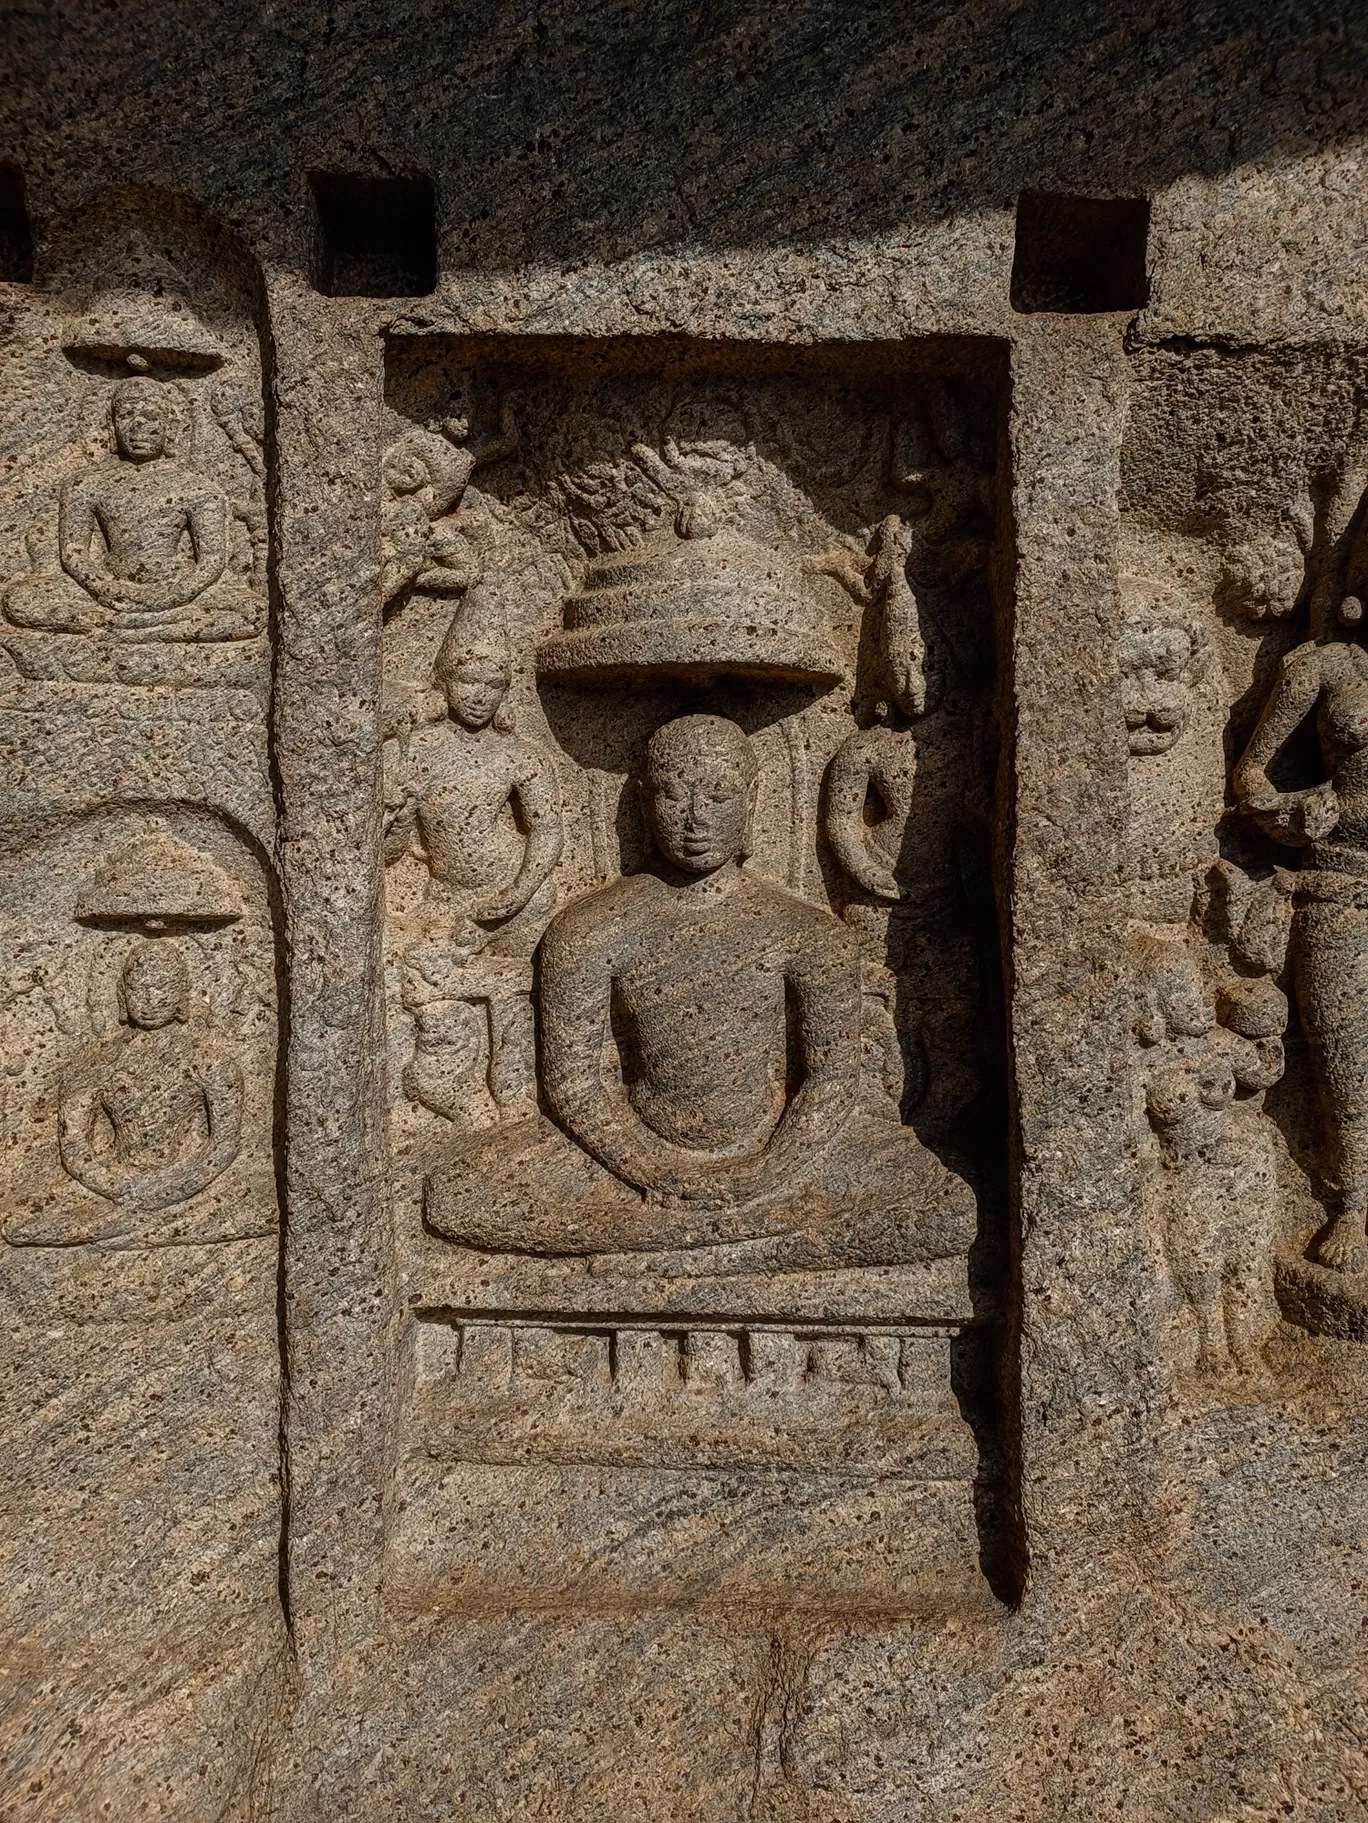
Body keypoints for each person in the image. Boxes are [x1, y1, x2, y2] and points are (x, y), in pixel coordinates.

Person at [426, 713, 975, 1267]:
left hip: (779, 1153)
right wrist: (649, 1169)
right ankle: (748, 1242)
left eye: (718, 796)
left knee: (947, 1207)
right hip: (630, 1153)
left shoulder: (806, 934)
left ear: (753, 799)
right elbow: (575, 1082)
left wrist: (764, 1174)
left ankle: (675, 1243)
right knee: (456, 1196)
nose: (695, 821)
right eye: (672, 798)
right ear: (643, 801)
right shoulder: (591, 929)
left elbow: (833, 1078)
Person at [385, 600, 563, 1119]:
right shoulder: (417, 752)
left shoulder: (519, 754)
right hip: (447, 895)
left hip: (518, 892)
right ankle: (445, 1084)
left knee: (521, 996)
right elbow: (393, 853)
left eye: (492, 686)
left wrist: (518, 892)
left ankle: (516, 1091)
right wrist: (394, 813)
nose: (480, 697)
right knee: (435, 992)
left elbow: (546, 831)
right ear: (445, 684)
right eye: (468, 684)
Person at [1234, 599, 1368, 1271]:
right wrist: (1292, 811)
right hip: (1338, 883)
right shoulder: (1324, 668)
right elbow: (1249, 780)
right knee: (1344, 1056)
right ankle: (1353, 1204)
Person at [5, 376, 262, 642]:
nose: (138, 426)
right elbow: (74, 553)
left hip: (176, 587)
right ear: (111, 424)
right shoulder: (86, 483)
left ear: (170, 426)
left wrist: (169, 597)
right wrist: (103, 587)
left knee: (254, 612)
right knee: (19, 601)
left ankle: (138, 630)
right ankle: (141, 629)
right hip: (107, 587)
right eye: (127, 416)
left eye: (151, 417)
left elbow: (210, 563)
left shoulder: (197, 488)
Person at [58, 942, 243, 1210]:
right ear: (122, 995)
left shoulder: (211, 1064)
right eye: (139, 989)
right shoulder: (94, 1066)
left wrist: (170, 1191)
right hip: (116, 1181)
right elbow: (75, 1149)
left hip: (184, 1180)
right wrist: (120, 1190)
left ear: (182, 996)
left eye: (163, 988)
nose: (150, 999)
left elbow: (223, 1145)